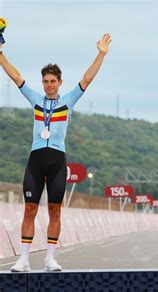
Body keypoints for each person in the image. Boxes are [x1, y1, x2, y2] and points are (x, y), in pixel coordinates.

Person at [0, 33, 112, 272]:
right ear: (42, 83)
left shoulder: (68, 101)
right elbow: (16, 76)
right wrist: (0, 53)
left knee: (55, 210)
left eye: (53, 81)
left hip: (57, 161)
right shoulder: (36, 100)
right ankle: (24, 260)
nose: (49, 84)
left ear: (59, 82)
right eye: (46, 81)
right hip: (36, 159)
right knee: (30, 209)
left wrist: (100, 54)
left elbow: (87, 79)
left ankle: (50, 259)